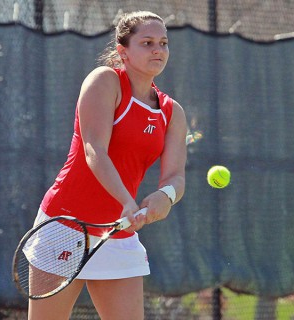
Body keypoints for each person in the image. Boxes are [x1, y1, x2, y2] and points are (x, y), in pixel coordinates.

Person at [28, 10, 187, 320]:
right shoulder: (104, 81)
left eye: (164, 43)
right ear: (122, 51)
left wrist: (166, 196)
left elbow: (175, 176)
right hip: (64, 225)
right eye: (147, 42)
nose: (158, 50)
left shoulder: (172, 112)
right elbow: (94, 150)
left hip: (117, 234)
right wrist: (127, 201)